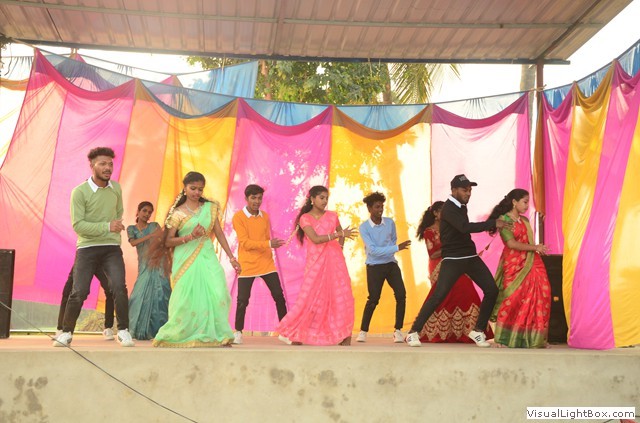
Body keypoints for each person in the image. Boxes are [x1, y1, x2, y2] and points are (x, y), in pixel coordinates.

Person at [405, 174, 510, 348]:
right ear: (453, 190)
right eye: (464, 190)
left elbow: (462, 231)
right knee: (438, 296)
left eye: (469, 190)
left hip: (470, 257)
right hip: (453, 260)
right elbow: (464, 227)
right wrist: (492, 223)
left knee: (491, 289)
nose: (468, 193)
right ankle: (413, 332)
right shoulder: (449, 209)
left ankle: (478, 331)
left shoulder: (461, 206)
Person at [53, 147, 134, 347]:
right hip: (87, 249)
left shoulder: (116, 188)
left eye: (110, 164)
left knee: (119, 287)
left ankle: (123, 330)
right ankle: (66, 332)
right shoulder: (79, 192)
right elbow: (78, 226)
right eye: (102, 164)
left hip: (111, 248)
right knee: (79, 291)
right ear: (92, 165)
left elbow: (118, 213)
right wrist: (107, 227)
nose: (108, 168)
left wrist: (111, 229)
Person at [152, 172, 240, 348]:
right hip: (186, 258)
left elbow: (219, 233)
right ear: (184, 188)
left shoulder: (210, 208)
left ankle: (218, 334)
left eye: (200, 189)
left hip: (207, 256)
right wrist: (190, 236)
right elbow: (168, 241)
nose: (197, 192)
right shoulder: (177, 213)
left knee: (218, 292)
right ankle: (183, 333)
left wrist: (231, 257)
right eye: (193, 188)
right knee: (187, 297)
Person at [276, 185, 357, 346]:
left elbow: (342, 234)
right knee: (309, 298)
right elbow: (316, 239)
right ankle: (295, 332)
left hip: (335, 262)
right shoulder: (305, 218)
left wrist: (339, 248)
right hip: (316, 263)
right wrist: (338, 235)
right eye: (321, 198)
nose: (325, 201)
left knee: (341, 296)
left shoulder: (333, 216)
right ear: (312, 199)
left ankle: (343, 334)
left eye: (326, 198)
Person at [415, 201, 494, 343]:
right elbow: (432, 254)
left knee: (466, 290)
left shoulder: (453, 225)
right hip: (441, 264)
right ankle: (427, 331)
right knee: (442, 295)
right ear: (436, 214)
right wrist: (451, 246)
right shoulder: (429, 231)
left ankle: (469, 331)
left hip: (459, 259)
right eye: (442, 211)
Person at [488, 189, 551, 348]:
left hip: (532, 261)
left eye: (528, 202)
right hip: (514, 263)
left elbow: (527, 241)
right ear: (514, 202)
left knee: (542, 294)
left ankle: (535, 339)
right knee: (513, 298)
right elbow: (511, 244)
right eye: (525, 202)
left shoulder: (525, 220)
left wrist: (536, 247)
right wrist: (535, 247)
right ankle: (504, 338)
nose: (527, 205)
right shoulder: (504, 220)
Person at [231, 184, 288, 345]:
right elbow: (245, 243)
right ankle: (238, 332)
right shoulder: (238, 217)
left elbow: (264, 239)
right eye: (253, 198)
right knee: (243, 300)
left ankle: (285, 332)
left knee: (279, 296)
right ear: (246, 198)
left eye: (259, 198)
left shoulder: (265, 216)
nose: (257, 201)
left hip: (266, 264)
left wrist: (268, 245)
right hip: (247, 264)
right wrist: (268, 244)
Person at [356, 192, 410, 343]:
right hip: (374, 266)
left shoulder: (390, 223)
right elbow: (373, 250)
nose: (380, 210)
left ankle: (398, 331)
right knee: (373, 299)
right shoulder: (364, 227)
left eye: (382, 206)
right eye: (377, 207)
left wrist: (391, 249)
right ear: (369, 208)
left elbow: (392, 240)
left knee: (401, 294)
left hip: (391, 264)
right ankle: (363, 331)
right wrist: (396, 248)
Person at [126, 201, 171, 340]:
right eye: (144, 211)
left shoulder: (154, 226)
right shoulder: (131, 229)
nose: (147, 214)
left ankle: (159, 331)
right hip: (144, 265)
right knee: (137, 296)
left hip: (158, 262)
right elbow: (133, 243)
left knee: (161, 294)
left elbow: (163, 241)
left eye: (150, 212)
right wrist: (150, 236)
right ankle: (137, 330)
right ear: (138, 212)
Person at [56, 265, 115, 340]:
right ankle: (61, 329)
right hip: (84, 261)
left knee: (111, 290)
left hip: (101, 262)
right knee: (67, 291)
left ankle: (108, 328)